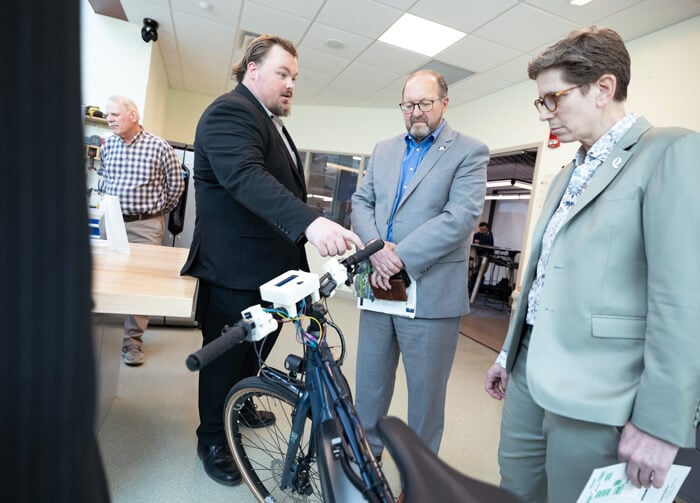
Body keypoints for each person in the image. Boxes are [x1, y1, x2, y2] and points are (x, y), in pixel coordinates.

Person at [484, 26, 700, 502]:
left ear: (603, 88)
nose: (546, 114)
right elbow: (543, 275)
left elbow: (682, 298)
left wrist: (662, 422)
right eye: (540, 102)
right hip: (528, 374)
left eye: (553, 99)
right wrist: (509, 352)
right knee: (515, 490)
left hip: (601, 394)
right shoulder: (568, 173)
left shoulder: (669, 152)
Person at [180, 34, 363, 486]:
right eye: (282, 74)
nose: (291, 85)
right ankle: (213, 441)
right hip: (234, 269)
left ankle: (240, 405)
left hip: (270, 274)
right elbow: (246, 177)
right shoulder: (230, 112)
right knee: (226, 359)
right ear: (252, 69)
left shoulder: (270, 122)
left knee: (253, 353)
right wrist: (311, 223)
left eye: (295, 77)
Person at [351, 69, 489, 459]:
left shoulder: (469, 151)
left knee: (425, 397)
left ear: (444, 103)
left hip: (430, 296)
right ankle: (368, 459)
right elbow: (361, 202)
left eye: (424, 103)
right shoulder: (383, 150)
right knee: (370, 384)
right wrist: (376, 248)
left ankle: (420, 477)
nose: (416, 112)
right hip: (378, 286)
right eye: (408, 105)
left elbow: (460, 217)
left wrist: (399, 256)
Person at [100, 95, 185, 366]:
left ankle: (132, 344)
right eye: (107, 115)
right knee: (103, 278)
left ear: (133, 116)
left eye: (114, 114)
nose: (109, 119)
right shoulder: (108, 144)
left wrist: (157, 213)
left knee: (142, 283)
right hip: (111, 221)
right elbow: (105, 177)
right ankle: (98, 338)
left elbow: (176, 187)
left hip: (145, 224)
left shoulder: (159, 146)